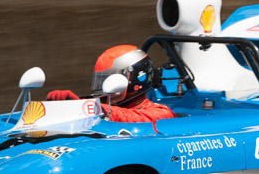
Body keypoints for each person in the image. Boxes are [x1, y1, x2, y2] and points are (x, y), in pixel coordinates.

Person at [46, 45, 175, 124]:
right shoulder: (103, 107)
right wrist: (69, 105)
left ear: (136, 79)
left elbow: (130, 117)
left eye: (110, 80)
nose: (104, 87)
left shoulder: (161, 114)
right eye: (101, 80)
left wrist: (93, 109)